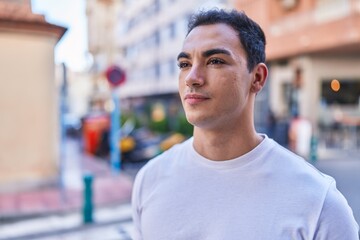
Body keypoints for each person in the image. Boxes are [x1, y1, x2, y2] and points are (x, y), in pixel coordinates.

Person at [131, 9, 359, 239]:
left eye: (215, 61)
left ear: (257, 78)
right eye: (184, 64)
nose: (192, 77)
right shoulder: (149, 180)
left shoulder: (318, 201)